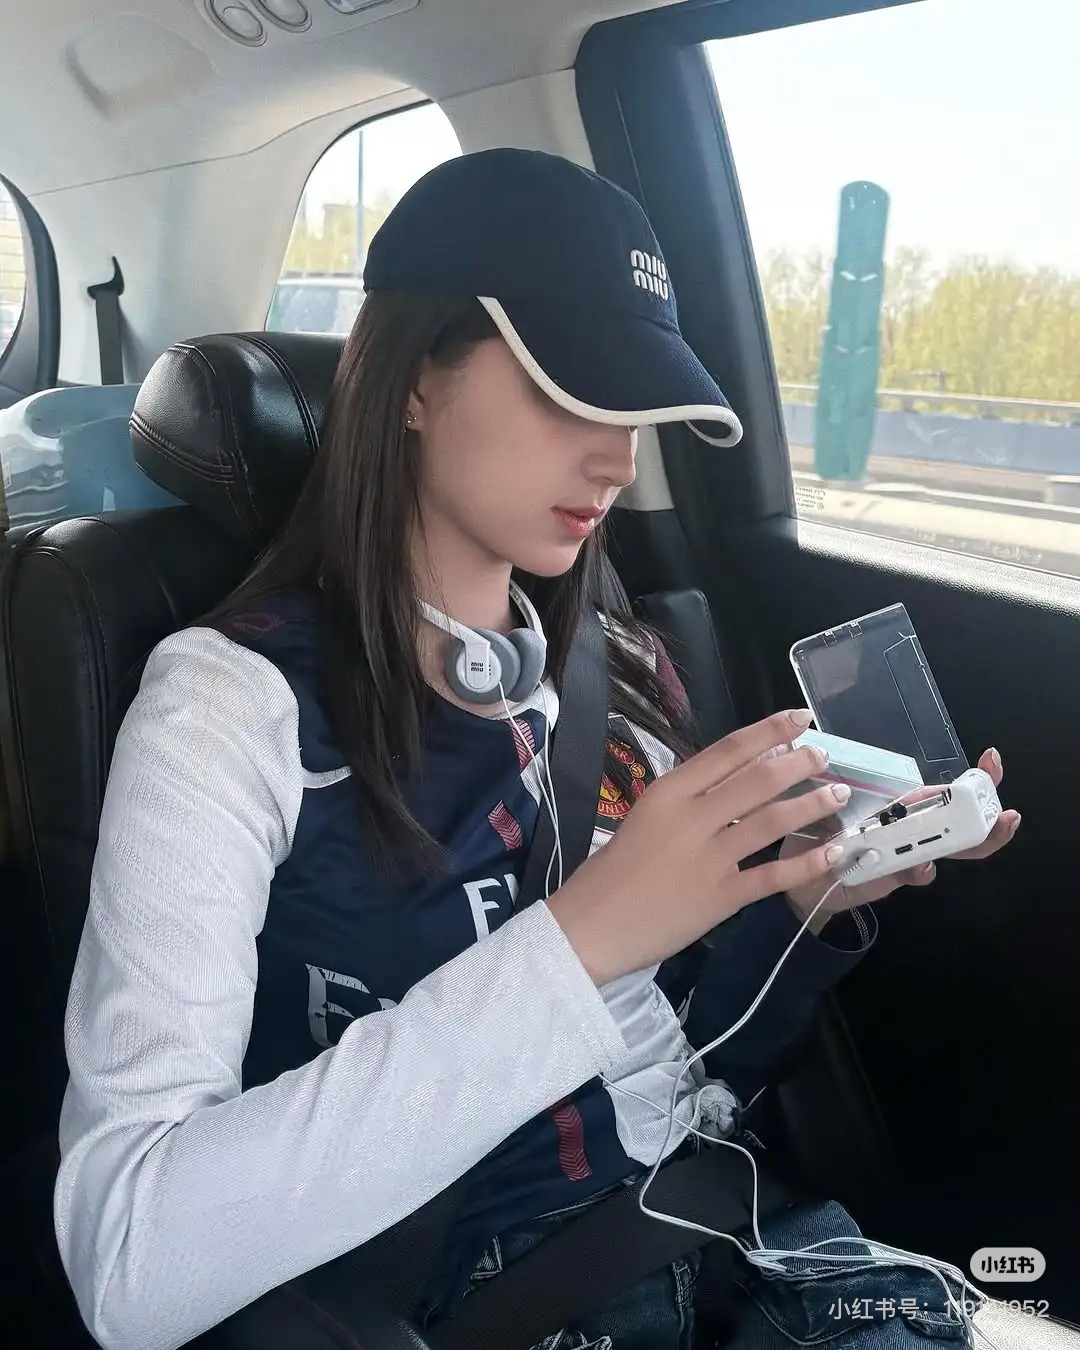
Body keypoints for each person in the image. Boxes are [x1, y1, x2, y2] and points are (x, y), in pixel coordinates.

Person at [54, 149, 1018, 1350]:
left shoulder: (621, 668)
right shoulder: (228, 708)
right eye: (571, 394)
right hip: (516, 1303)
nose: (619, 459)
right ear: (412, 378)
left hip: (755, 1241)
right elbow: (128, 1256)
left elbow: (681, 1077)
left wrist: (805, 904)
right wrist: (578, 944)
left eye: (635, 410)